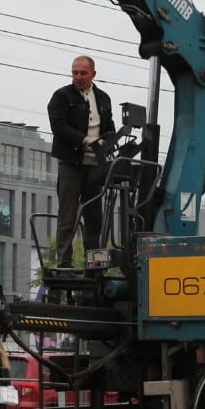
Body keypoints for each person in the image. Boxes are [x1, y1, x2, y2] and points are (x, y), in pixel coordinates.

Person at [47, 55, 117, 268]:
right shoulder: (61, 96)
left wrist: (110, 140)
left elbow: (109, 126)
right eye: (75, 72)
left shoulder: (103, 99)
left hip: (95, 166)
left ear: (93, 74)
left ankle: (93, 264)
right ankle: (64, 264)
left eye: (83, 73)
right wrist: (85, 141)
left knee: (94, 217)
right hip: (71, 163)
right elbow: (59, 126)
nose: (78, 77)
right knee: (67, 216)